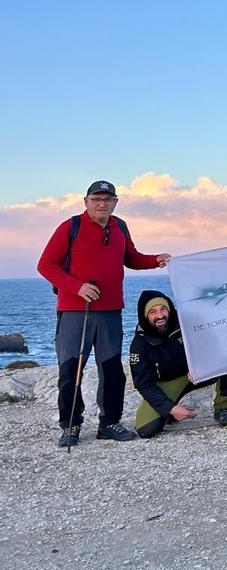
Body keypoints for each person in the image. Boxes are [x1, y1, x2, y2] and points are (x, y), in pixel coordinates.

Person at [36, 180, 171, 447]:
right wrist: (77, 287)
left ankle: (109, 423)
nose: (102, 204)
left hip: (110, 312)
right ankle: (71, 426)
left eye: (107, 200)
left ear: (115, 202)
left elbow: (131, 258)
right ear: (85, 201)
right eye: (96, 199)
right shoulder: (70, 227)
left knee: (111, 371)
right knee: (70, 370)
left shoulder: (119, 226)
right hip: (75, 312)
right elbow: (46, 264)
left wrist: (156, 259)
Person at [129, 290, 227, 438]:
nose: (160, 315)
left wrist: (198, 363)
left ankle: (223, 408)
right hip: (168, 382)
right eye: (153, 312)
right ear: (145, 315)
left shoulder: (186, 322)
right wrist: (171, 408)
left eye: (163, 309)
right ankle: (170, 415)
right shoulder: (139, 344)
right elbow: (143, 384)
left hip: (196, 372)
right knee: (146, 429)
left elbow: (214, 345)